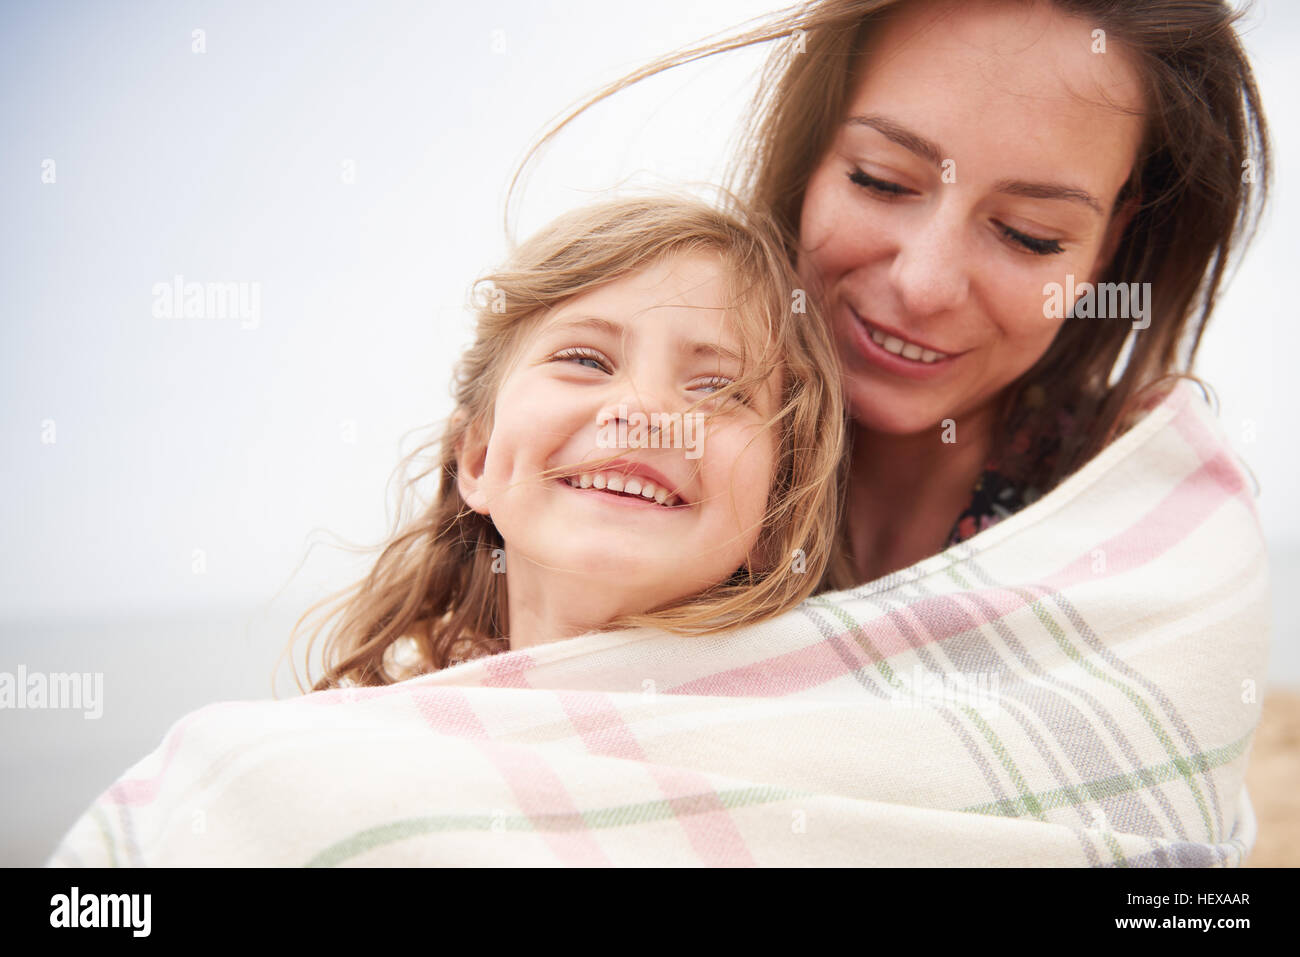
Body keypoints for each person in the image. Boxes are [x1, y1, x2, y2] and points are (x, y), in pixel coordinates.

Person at [512, 0, 1271, 586]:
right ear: (806, 156)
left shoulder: (1154, 528)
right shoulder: (625, 466)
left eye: (1029, 233)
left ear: (1109, 244)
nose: (925, 284)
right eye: (879, 180)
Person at [286, 192, 847, 688]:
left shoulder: (825, 726)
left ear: (777, 514)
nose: (644, 410)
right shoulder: (358, 741)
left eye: (718, 390)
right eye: (584, 360)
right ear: (477, 458)